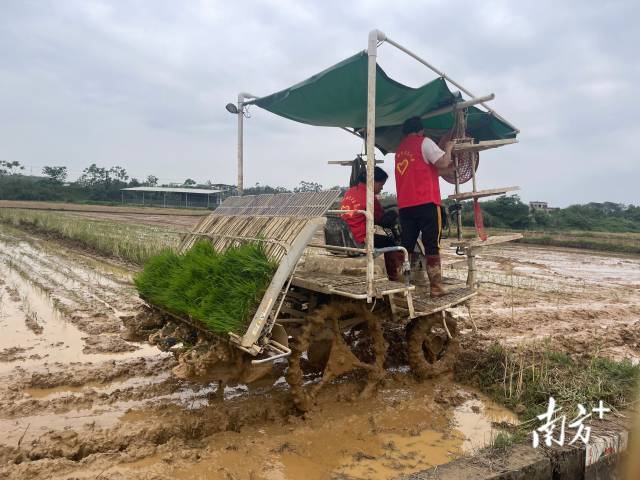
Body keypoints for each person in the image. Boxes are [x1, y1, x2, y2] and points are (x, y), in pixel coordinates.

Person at [394, 116, 454, 297]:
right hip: (426, 202)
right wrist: (449, 149)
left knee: (406, 246)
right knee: (431, 244)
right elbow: (443, 163)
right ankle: (435, 287)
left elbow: (427, 168)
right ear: (421, 130)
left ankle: (400, 285)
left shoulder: (400, 150)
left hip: (405, 205)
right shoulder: (425, 142)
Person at [340, 167, 404, 281]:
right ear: (373, 181)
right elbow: (383, 221)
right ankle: (394, 277)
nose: (382, 187)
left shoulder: (350, 191)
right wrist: (395, 213)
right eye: (381, 184)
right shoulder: (369, 197)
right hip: (360, 238)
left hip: (345, 235)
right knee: (390, 243)